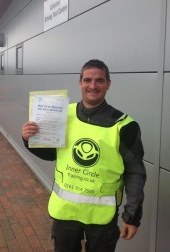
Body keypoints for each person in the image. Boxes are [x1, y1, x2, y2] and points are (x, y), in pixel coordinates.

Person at [21, 59, 146, 252]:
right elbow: (49, 154)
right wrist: (29, 139)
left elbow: (135, 172)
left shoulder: (124, 125)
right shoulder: (62, 114)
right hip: (65, 212)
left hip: (102, 217)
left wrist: (132, 217)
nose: (93, 86)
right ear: (80, 83)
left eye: (100, 81)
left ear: (108, 84)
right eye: (87, 80)